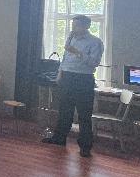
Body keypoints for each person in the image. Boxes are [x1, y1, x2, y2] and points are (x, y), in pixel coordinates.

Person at [42, 15, 104, 158]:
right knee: (64, 110)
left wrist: (77, 52)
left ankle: (85, 147)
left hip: (83, 79)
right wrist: (60, 74)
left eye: (77, 25)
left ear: (86, 26)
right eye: (73, 25)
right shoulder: (71, 39)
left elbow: (94, 62)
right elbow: (65, 59)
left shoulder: (95, 42)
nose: (73, 28)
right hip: (67, 78)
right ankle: (59, 138)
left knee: (84, 114)